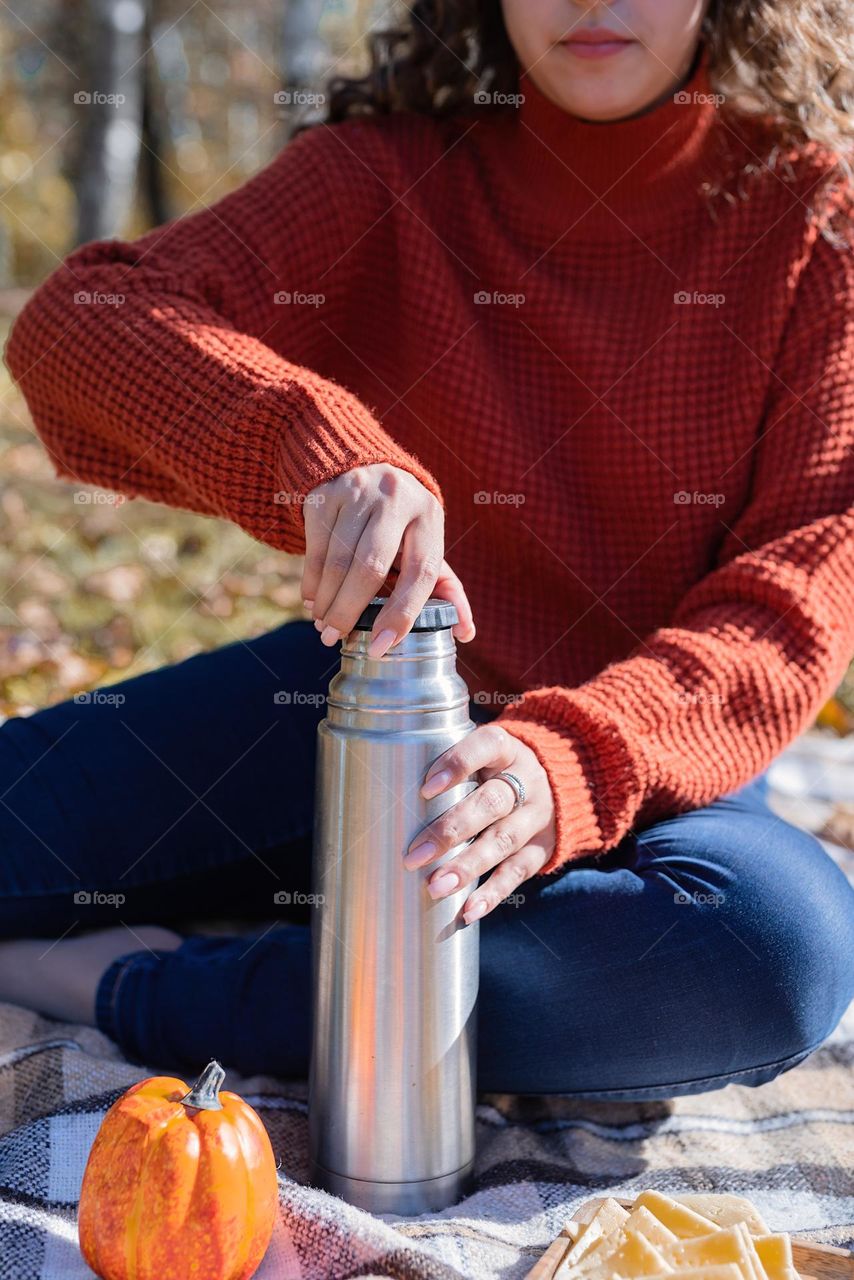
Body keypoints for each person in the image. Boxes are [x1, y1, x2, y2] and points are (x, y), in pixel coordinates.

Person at [1, 0, 852, 1098]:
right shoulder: (386, 174)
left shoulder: (814, 221)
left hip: (650, 762)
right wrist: (318, 450)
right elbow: (81, 318)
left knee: (769, 950)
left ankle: (152, 986)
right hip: (363, 695)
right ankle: (367, 947)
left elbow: (796, 591)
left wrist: (570, 764)